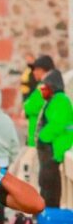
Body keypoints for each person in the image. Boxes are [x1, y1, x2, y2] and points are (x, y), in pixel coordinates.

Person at [34, 70, 73, 208]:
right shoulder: (54, 100)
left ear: (53, 86)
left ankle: (49, 213)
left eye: (45, 88)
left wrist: (42, 137)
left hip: (53, 149)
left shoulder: (61, 100)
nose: (42, 91)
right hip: (48, 149)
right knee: (45, 183)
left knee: (50, 187)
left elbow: (57, 124)